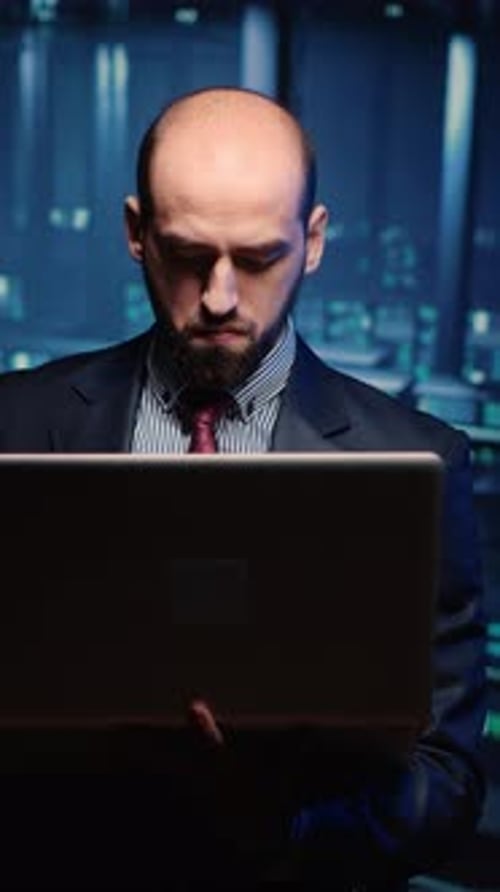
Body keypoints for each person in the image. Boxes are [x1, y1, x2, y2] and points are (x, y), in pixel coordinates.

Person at [0, 87, 486, 891]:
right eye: (189, 257)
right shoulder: (13, 424)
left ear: (316, 241)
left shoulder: (421, 460)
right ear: (135, 234)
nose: (220, 298)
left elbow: (449, 780)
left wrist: (278, 825)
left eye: (259, 259)